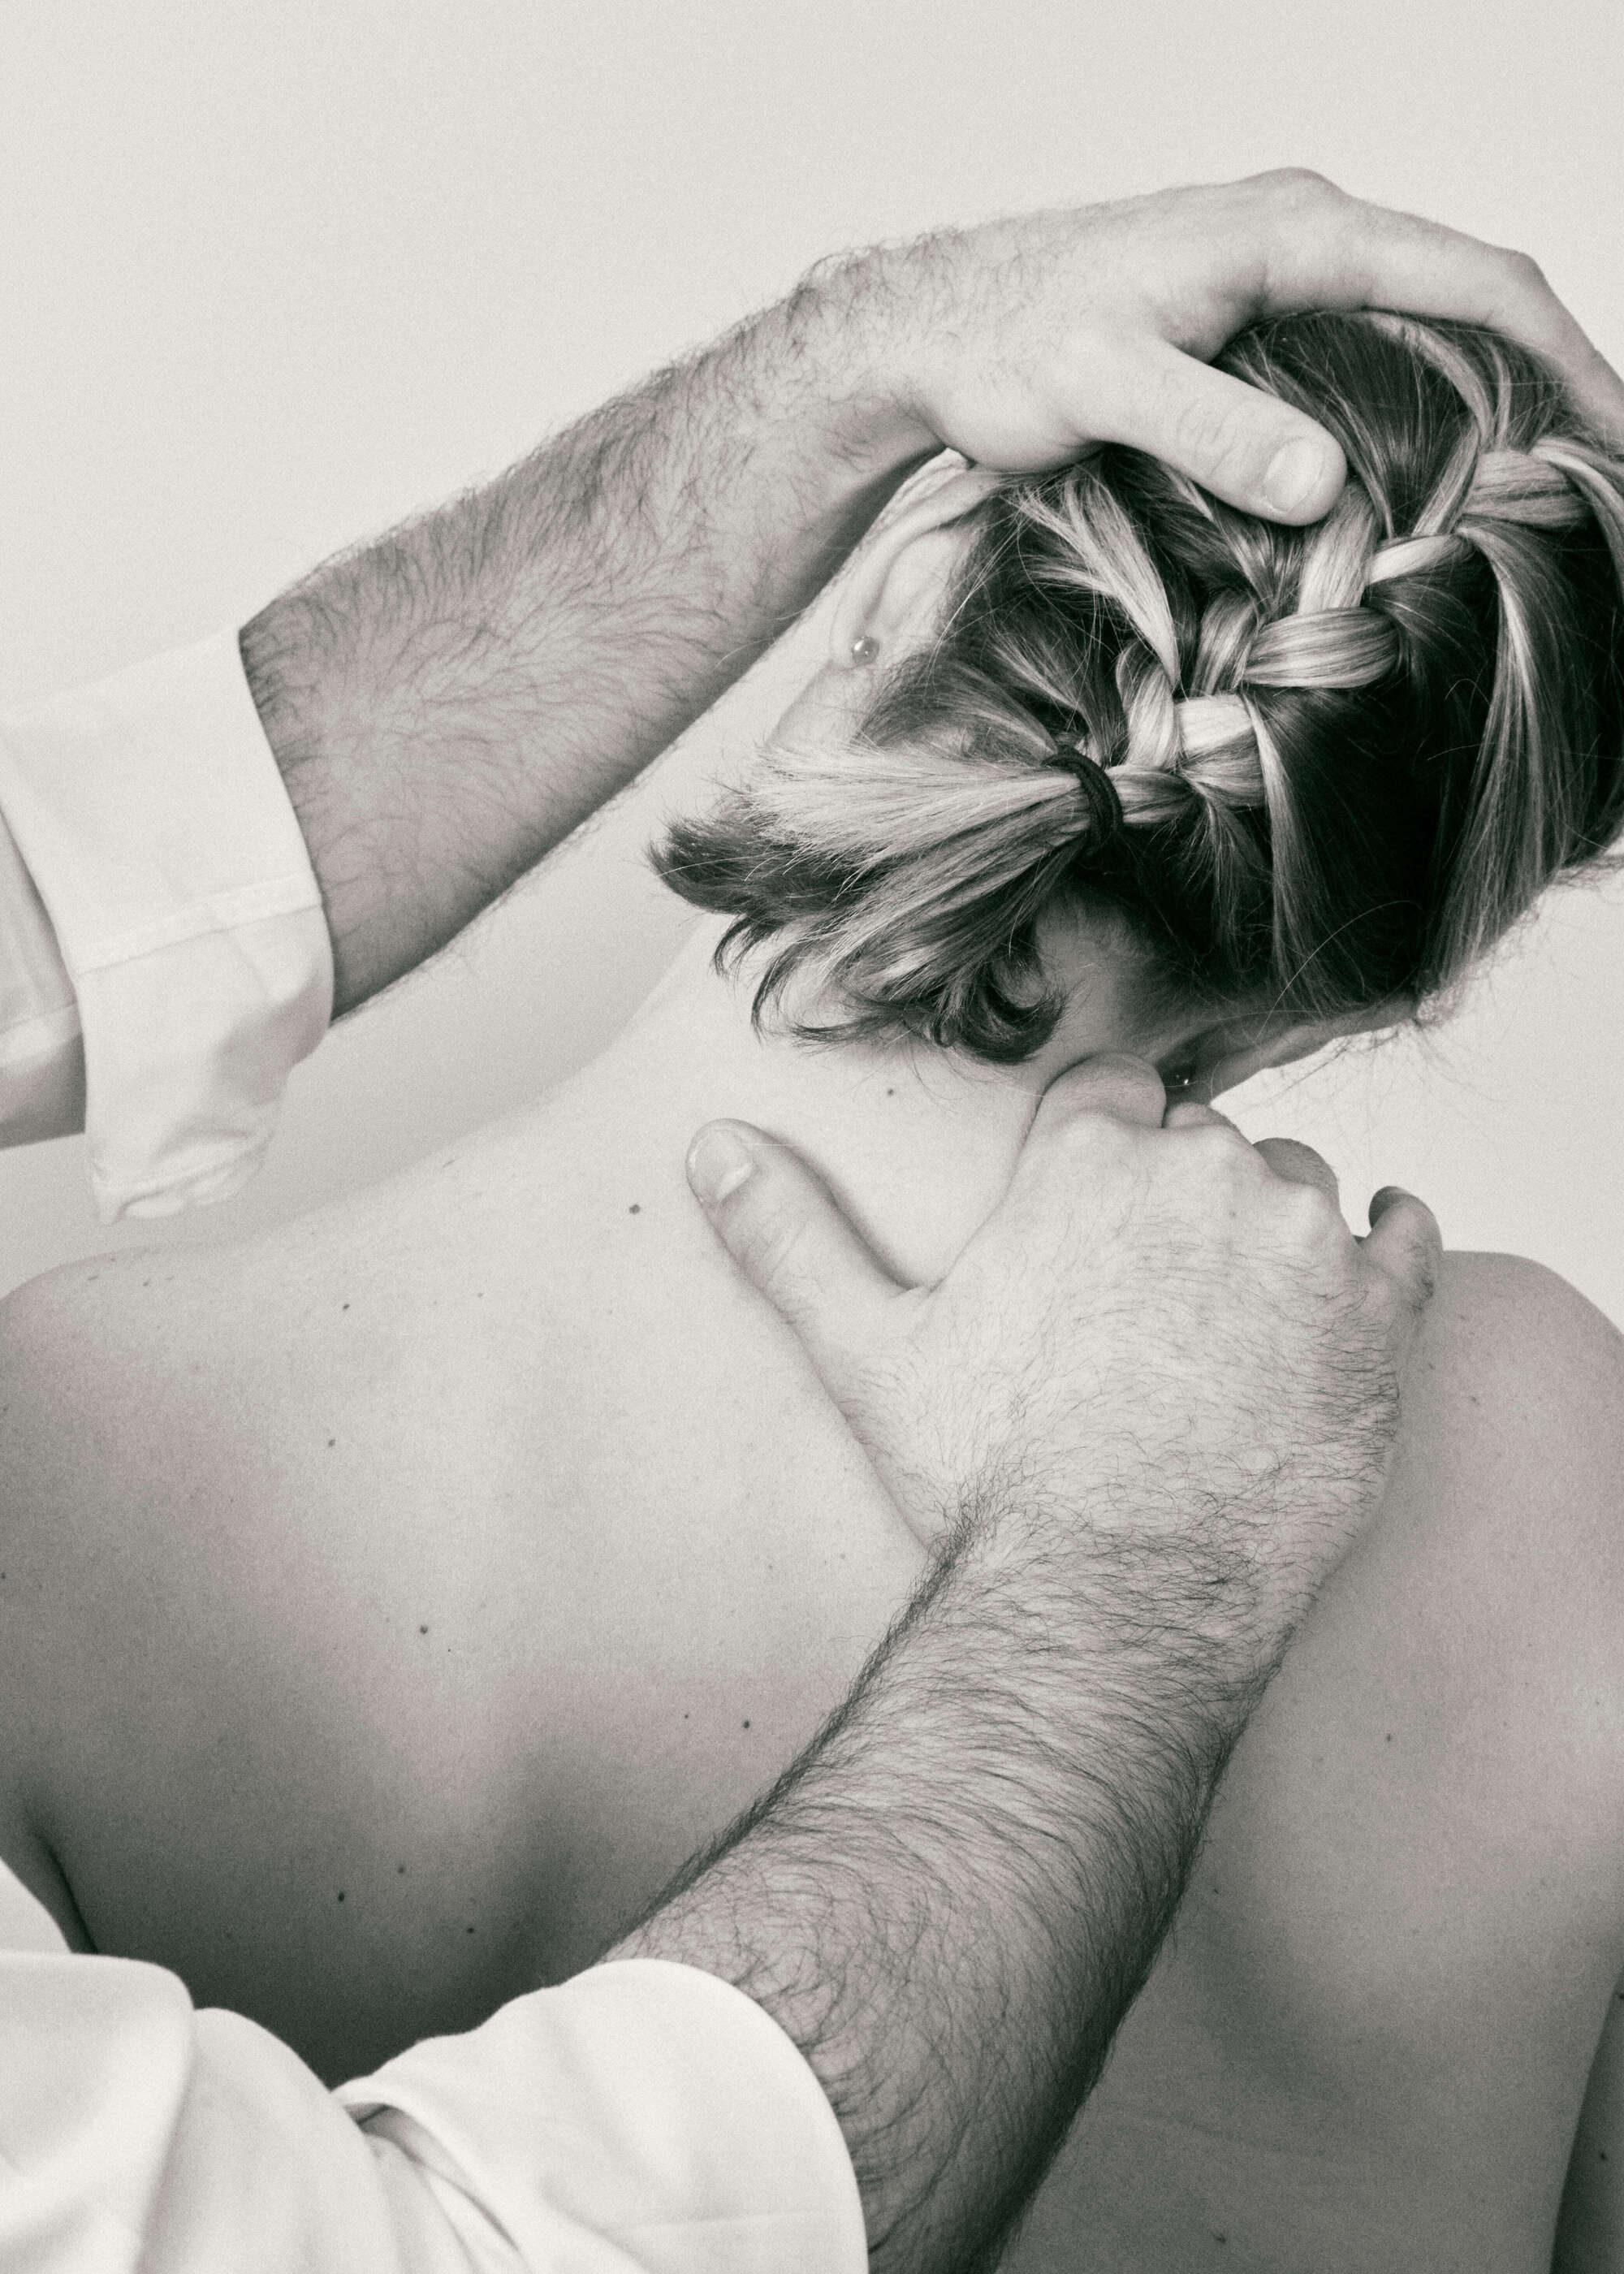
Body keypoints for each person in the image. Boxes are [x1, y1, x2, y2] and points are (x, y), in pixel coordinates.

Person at [0, 173, 1607, 2270]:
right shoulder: (1543, 1449)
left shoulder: (61, 1455)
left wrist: (838, 355)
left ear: (910, 579)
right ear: (1382, 955)